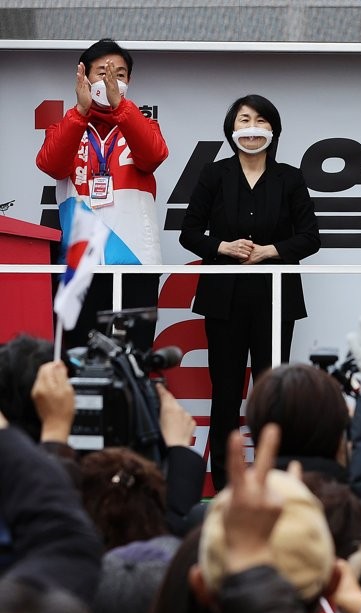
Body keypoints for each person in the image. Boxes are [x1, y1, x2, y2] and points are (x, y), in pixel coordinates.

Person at [179, 94, 320, 491]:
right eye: (243, 119)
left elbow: (312, 237)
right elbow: (189, 231)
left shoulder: (290, 177)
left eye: (260, 120)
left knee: (274, 394)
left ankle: (274, 482)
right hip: (224, 298)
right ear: (232, 129)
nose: (252, 127)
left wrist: (271, 251)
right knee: (225, 394)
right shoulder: (213, 174)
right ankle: (226, 486)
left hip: (276, 299)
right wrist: (222, 247)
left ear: (272, 130)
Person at [35, 38, 168, 350]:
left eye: (119, 74)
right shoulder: (66, 126)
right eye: (102, 73)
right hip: (81, 262)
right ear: (83, 77)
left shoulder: (144, 125)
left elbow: (153, 155)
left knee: (134, 358)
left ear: (129, 81)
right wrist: (80, 112)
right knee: (81, 356)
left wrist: (121, 108)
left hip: (136, 260)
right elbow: (51, 164)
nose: (111, 81)